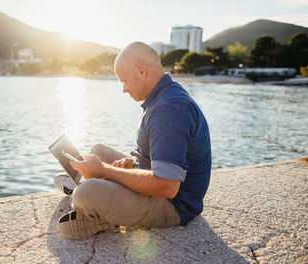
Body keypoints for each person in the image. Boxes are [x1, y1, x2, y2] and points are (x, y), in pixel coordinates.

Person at [55, 41, 211, 240]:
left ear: (141, 70)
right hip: (158, 185)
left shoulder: (168, 109)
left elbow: (167, 186)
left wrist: (104, 171)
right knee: (98, 151)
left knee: (85, 193)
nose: (124, 89)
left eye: (124, 81)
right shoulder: (165, 96)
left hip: (174, 205)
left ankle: (83, 195)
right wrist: (132, 165)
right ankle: (93, 194)